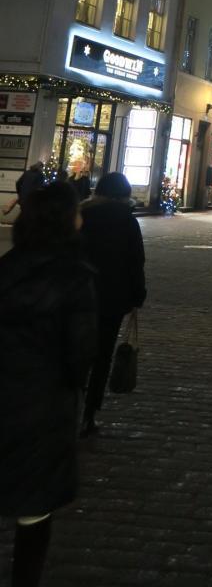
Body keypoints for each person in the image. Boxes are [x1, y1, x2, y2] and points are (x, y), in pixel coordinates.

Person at [0, 183, 98, 587]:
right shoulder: (74, 278)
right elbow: (81, 354)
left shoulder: (6, 267)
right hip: (42, 406)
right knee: (34, 512)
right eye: (77, 212)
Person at [79, 172, 147, 436]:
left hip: (80, 293)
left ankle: (71, 402)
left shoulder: (81, 215)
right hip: (112, 297)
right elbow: (136, 262)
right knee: (103, 355)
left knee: (77, 350)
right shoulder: (127, 222)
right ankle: (89, 413)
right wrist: (137, 295)